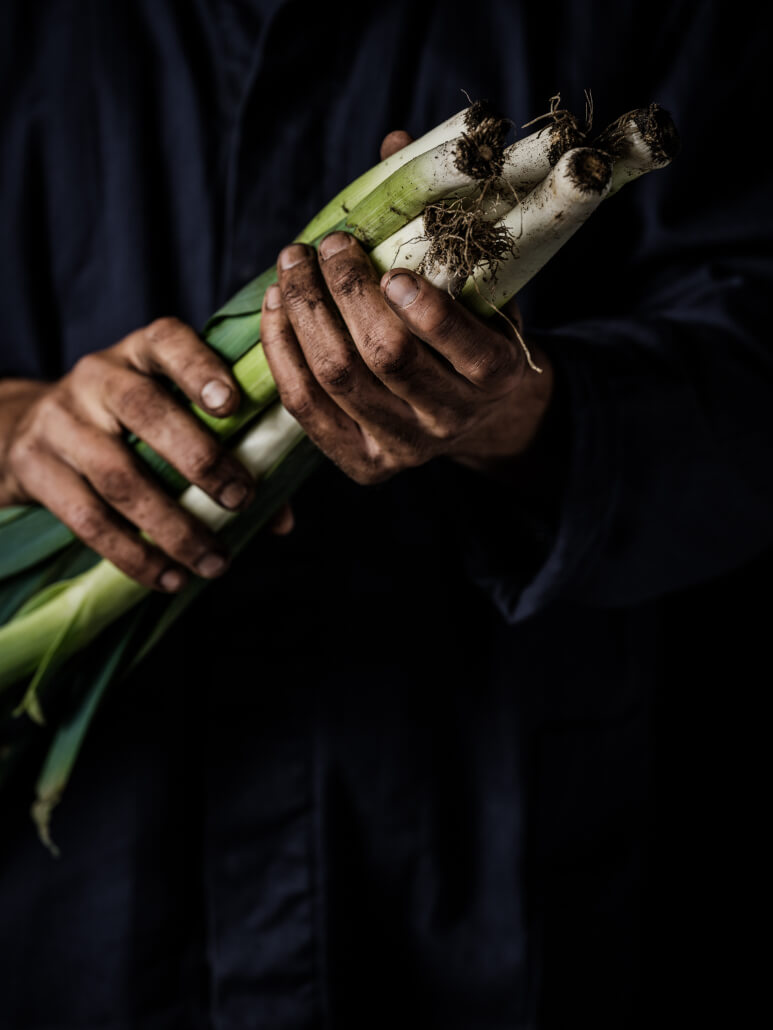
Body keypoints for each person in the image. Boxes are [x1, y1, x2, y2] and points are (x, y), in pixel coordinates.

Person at [0, 2, 770, 1027]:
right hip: (83, 910)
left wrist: (524, 413)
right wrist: (9, 427)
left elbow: (751, 383)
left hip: (471, 881)